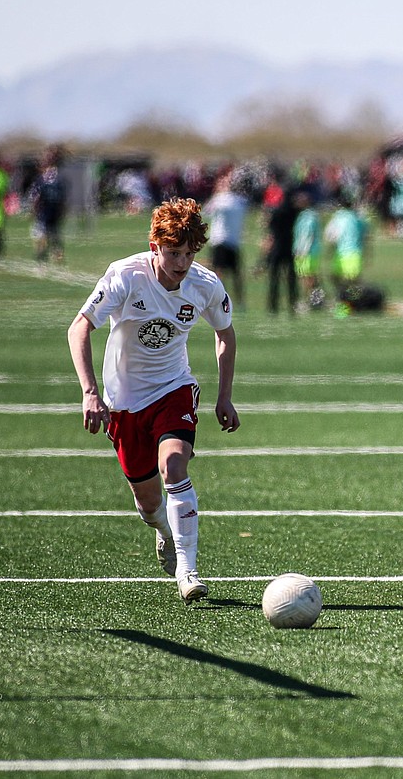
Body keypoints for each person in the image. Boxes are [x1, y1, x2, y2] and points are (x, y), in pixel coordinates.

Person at [66, 197, 239, 604]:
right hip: (123, 401)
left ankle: (188, 569)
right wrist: (90, 393)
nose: (181, 262)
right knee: (147, 504)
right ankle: (164, 530)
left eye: (189, 253)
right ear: (155, 247)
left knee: (173, 465)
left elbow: (225, 335)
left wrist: (224, 397)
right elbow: (79, 328)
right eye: (173, 253)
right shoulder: (125, 276)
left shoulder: (206, 285)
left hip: (172, 387)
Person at [202, 171, 248, 309]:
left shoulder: (219, 199)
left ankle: (219, 300)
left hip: (219, 240)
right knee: (236, 274)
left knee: (218, 272)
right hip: (234, 241)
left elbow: (205, 211)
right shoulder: (241, 201)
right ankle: (240, 302)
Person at [263, 186, 300, 315]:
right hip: (288, 247)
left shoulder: (276, 212)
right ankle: (292, 304)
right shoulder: (293, 212)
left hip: (277, 248)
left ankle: (273, 305)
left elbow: (270, 228)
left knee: (274, 278)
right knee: (291, 279)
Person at [29, 144, 67, 265]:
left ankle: (44, 255)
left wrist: (34, 209)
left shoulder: (45, 176)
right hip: (52, 207)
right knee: (52, 232)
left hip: (46, 208)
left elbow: (37, 195)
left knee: (44, 232)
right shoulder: (57, 175)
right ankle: (56, 255)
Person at [292, 189, 324, 311]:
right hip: (304, 251)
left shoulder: (309, 216)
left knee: (307, 277)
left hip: (307, 252)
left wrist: (302, 251)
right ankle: (317, 300)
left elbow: (308, 235)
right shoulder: (302, 215)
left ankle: (308, 301)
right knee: (308, 277)